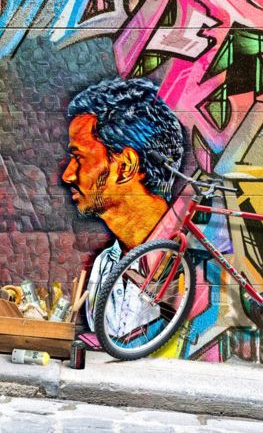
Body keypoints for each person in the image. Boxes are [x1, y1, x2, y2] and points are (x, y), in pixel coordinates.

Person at [61, 78, 186, 335]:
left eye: (79, 158)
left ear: (126, 166)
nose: (68, 175)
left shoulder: (190, 263)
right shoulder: (105, 264)